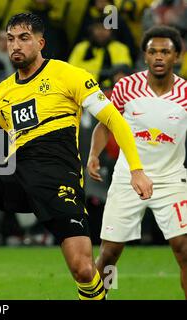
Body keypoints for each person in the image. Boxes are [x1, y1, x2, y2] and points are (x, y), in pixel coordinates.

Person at [0, 13, 153, 300]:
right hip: (19, 173)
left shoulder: (69, 75)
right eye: (11, 38)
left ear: (41, 42)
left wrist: (137, 170)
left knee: (83, 269)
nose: (16, 45)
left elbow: (115, 120)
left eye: (24, 38)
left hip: (59, 176)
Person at [87, 25, 187, 299]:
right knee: (109, 253)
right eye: (152, 51)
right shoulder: (126, 87)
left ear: (176, 56)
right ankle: (97, 297)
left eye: (165, 52)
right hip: (127, 177)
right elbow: (104, 124)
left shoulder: (186, 93)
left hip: (172, 180)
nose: (158, 57)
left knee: (184, 249)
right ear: (144, 55)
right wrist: (94, 154)